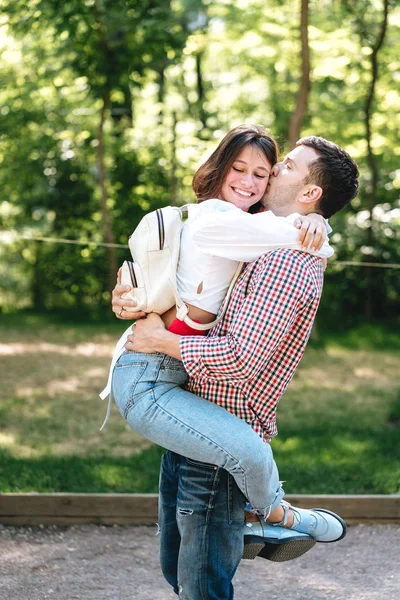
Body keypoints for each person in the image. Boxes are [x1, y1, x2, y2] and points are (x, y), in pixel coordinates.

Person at [111, 130, 359, 599]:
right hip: (191, 404)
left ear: (309, 193)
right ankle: (253, 520)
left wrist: (162, 341)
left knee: (202, 583)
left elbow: (240, 360)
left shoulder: (287, 258)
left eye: (283, 166)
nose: (267, 173)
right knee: (180, 571)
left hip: (222, 417)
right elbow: (177, 273)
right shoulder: (255, 231)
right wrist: (128, 296)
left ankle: (274, 515)